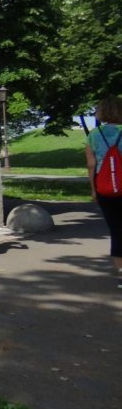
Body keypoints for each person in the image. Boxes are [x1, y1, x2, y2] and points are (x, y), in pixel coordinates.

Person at [85, 95, 122, 289]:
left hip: (105, 187)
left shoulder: (94, 135)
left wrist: (93, 190)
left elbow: (91, 165)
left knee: (116, 230)